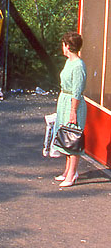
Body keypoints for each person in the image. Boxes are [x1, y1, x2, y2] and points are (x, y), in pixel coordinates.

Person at [52, 31, 87, 188]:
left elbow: (77, 91)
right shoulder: (69, 62)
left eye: (63, 44)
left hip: (74, 104)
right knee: (65, 135)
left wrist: (73, 110)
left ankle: (72, 174)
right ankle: (67, 171)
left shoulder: (79, 66)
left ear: (67, 46)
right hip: (65, 101)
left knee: (73, 138)